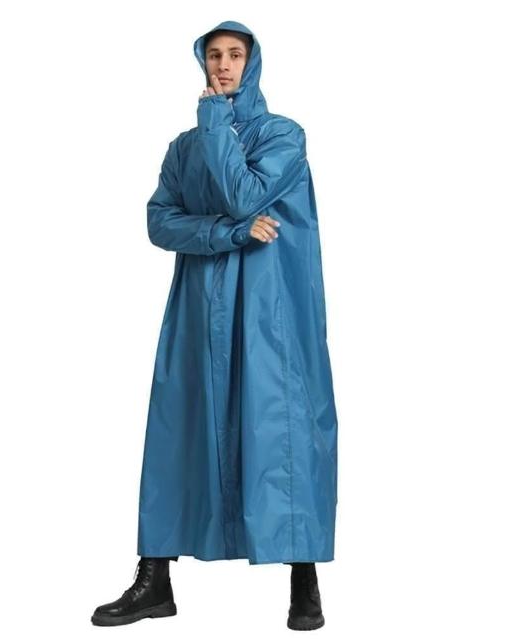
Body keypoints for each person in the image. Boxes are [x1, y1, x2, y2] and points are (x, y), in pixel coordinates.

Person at [91, 20, 338, 631]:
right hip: (198, 307)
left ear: (253, 63)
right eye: (214, 56)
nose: (223, 65)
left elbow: (242, 192)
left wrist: (216, 124)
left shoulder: (283, 135)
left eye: (235, 55)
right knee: (179, 428)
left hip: (269, 311)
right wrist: (227, 234)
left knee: (279, 432)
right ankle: (154, 579)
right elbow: (160, 221)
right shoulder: (184, 147)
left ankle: (304, 582)